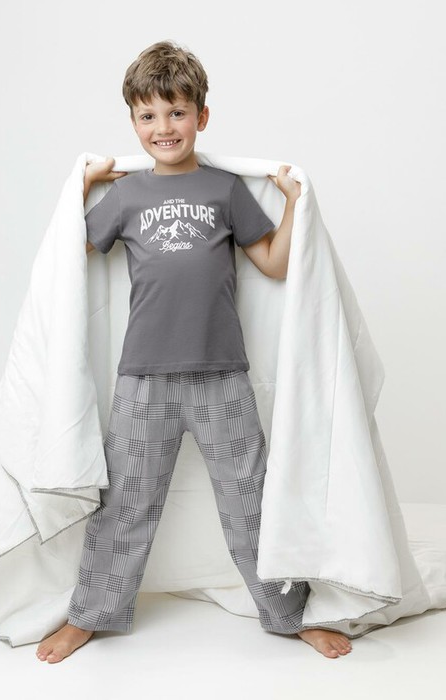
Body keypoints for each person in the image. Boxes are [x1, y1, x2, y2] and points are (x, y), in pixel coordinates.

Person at [36, 40, 353, 663]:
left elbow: (275, 263)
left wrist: (294, 204)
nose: (164, 127)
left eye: (177, 112)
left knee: (250, 502)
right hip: (143, 379)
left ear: (201, 116)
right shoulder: (126, 196)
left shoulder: (225, 189)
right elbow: (68, 255)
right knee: (125, 504)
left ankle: (288, 615)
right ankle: (90, 615)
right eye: (148, 116)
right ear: (134, 122)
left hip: (222, 378)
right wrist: (83, 187)